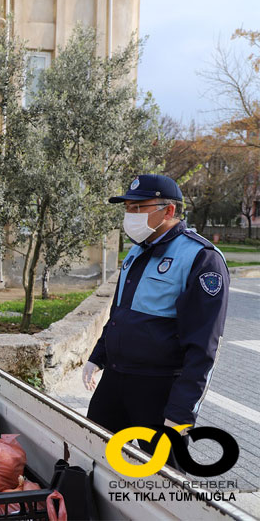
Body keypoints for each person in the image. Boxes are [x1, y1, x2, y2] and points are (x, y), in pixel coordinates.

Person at [82, 174, 229, 445]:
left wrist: (182, 411)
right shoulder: (138, 252)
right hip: (115, 380)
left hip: (159, 389)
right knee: (92, 453)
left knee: (161, 477)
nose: (130, 215)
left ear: (169, 210)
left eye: (138, 208)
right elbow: (119, 315)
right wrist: (97, 357)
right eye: (127, 208)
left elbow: (205, 346)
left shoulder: (201, 258)